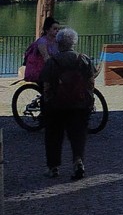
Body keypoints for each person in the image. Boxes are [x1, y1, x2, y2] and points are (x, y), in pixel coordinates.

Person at [37, 27, 96, 180]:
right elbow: (90, 83)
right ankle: (78, 161)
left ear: (58, 43)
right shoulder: (83, 59)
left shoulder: (52, 62)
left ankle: (53, 167)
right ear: (73, 43)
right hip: (79, 105)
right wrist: (90, 101)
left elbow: (47, 86)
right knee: (78, 135)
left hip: (56, 106)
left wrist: (47, 102)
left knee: (53, 136)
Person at [22, 16, 61, 83]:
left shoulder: (56, 41)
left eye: (58, 29)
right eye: (55, 29)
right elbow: (46, 58)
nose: (57, 31)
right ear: (47, 30)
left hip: (50, 68)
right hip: (39, 70)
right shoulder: (42, 42)